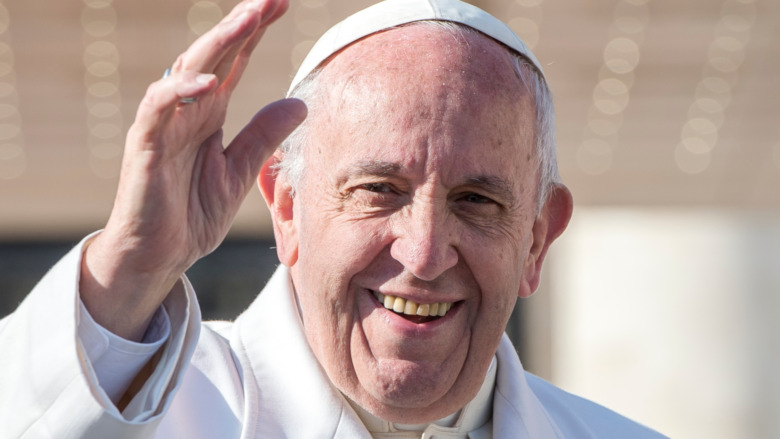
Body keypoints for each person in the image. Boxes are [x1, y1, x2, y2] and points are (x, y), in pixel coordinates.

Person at [0, 0, 667, 437]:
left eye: (476, 201)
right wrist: (131, 268)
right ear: (287, 208)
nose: (426, 251)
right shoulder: (154, 410)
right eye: (378, 189)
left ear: (536, 240)